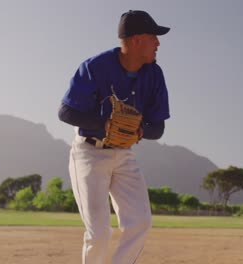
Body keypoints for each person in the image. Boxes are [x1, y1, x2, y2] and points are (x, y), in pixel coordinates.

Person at [58, 10, 170, 264]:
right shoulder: (95, 67)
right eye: (153, 37)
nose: (158, 43)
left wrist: (141, 130)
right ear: (135, 40)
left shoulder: (154, 74)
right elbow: (65, 112)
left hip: (124, 153)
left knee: (140, 222)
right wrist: (105, 123)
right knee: (98, 235)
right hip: (89, 153)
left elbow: (158, 128)